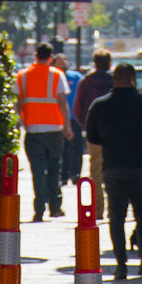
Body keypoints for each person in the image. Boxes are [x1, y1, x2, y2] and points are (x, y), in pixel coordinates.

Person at [84, 63, 142, 280]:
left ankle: (121, 264)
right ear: (132, 79)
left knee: (116, 216)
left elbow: (92, 137)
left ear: (114, 79)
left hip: (113, 166)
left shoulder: (100, 105)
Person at [15, 41, 72, 222]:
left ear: (35, 55)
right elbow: (62, 103)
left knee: (38, 171)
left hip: (33, 130)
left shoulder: (23, 76)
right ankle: (55, 207)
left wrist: (23, 121)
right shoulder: (57, 75)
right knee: (54, 168)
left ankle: (39, 209)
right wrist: (68, 127)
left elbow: (18, 103)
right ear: (51, 58)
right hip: (54, 129)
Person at [71, 49, 114, 217]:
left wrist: (86, 125)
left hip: (94, 133)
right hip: (115, 134)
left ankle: (98, 210)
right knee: (114, 170)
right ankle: (114, 209)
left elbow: (77, 108)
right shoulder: (115, 81)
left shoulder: (86, 82)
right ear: (109, 63)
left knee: (96, 172)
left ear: (95, 63)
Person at [53, 54, 84, 187]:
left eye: (63, 61)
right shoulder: (53, 77)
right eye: (59, 62)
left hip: (74, 118)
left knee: (76, 147)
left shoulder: (76, 77)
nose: (62, 64)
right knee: (62, 148)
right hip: (58, 119)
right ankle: (63, 175)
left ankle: (75, 173)